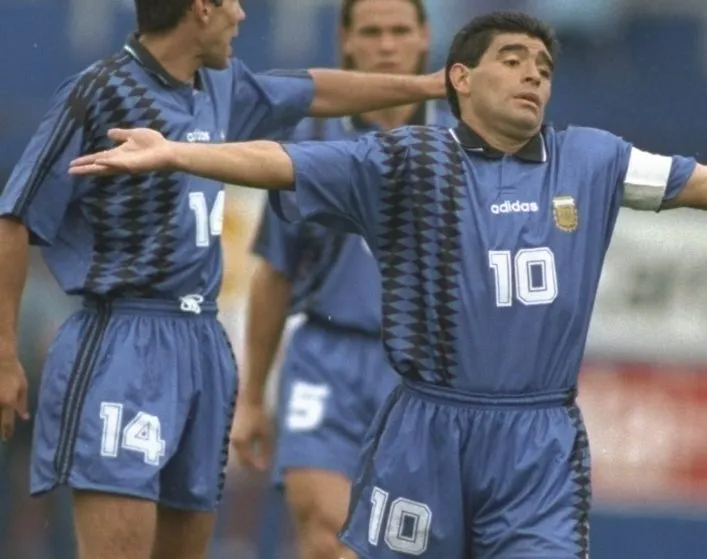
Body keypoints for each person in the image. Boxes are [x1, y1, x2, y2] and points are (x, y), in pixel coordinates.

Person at [66, 10, 707, 558]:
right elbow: (278, 158)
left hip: (537, 440)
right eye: (513, 59)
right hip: (426, 425)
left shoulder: (592, 159)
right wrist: (176, 150)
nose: (533, 75)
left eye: (544, 66)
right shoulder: (403, 161)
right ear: (460, 78)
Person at [0, 0, 445, 557]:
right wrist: (4, 353)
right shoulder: (100, 91)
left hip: (202, 343)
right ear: (201, 9)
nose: (241, 14)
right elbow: (13, 216)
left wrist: (428, 86)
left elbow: (316, 89)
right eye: (231, 2)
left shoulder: (221, 85)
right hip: (124, 340)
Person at [227, 1, 452, 558]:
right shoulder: (309, 140)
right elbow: (274, 273)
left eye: (400, 31)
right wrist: (253, 396)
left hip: (423, 372)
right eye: (371, 32)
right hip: (325, 359)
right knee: (329, 531)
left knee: (403, 545)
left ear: (424, 38)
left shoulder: (464, 142)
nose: (386, 45)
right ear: (345, 41)